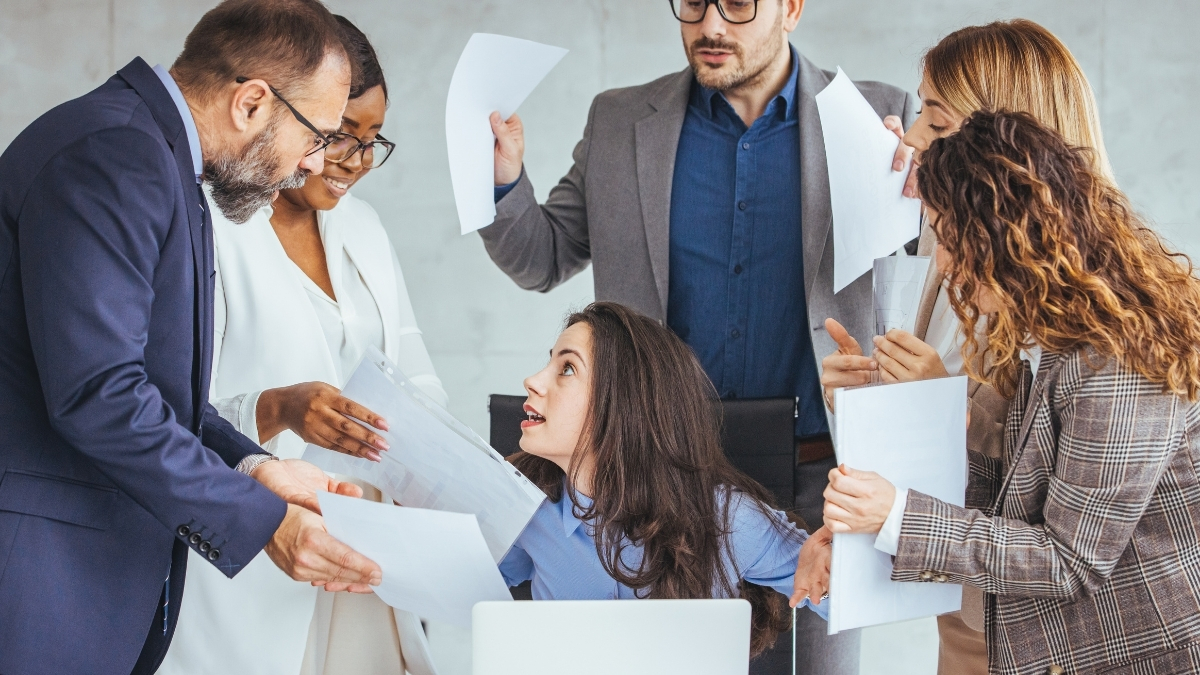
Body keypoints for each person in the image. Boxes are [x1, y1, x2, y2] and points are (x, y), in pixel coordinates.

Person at [481, 1, 914, 669]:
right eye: (692, 4)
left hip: (818, 469)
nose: (710, 26)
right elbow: (543, 256)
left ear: (791, 8)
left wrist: (938, 193)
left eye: (737, 4)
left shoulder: (878, 115)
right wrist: (502, 178)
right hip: (655, 469)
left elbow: (946, 265)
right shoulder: (619, 120)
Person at [0, 1, 385, 673]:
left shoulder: (159, 157)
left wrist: (255, 468)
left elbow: (154, 387)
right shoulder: (115, 154)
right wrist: (266, 521)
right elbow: (100, 396)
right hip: (40, 587)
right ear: (251, 103)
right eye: (317, 136)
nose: (312, 164)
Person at [824, 109, 1200, 675]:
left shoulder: (1116, 364)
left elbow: (1068, 561)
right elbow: (1016, 499)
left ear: (1006, 236)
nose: (943, 264)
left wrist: (896, 515)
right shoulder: (1048, 335)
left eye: (951, 239)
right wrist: (892, 418)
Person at [816, 20, 1115, 675]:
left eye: (936, 121)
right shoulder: (948, 248)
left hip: (1050, 631)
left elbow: (1056, 506)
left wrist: (943, 405)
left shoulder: (1093, 316)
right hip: (966, 608)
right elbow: (942, 467)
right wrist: (876, 401)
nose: (910, 136)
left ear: (1009, 141)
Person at [158, 16, 441, 675]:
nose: (353, 162)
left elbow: (418, 378)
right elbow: (168, 410)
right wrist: (280, 408)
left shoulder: (365, 229)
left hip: (362, 548)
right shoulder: (212, 224)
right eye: (339, 135)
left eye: (372, 141)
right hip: (252, 550)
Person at [501, 302, 832, 658]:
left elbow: (838, 592)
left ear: (625, 403)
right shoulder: (528, 510)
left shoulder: (728, 519)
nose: (532, 381)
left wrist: (830, 579)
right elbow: (473, 588)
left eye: (567, 368)